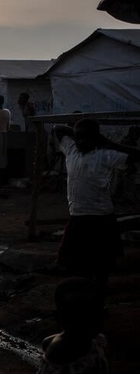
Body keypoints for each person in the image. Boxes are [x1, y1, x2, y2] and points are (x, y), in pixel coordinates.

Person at [53, 119, 140, 299]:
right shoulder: (71, 150)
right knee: (77, 264)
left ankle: (99, 299)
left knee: (101, 266)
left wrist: (108, 142)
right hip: (78, 217)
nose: (82, 141)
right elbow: (57, 128)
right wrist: (78, 132)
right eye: (79, 138)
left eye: (87, 138)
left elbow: (136, 155)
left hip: (101, 218)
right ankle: (83, 297)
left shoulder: (105, 155)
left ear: (96, 138)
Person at [31, 277, 108, 374]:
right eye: (76, 320)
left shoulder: (90, 341)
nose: (84, 325)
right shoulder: (63, 352)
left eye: (92, 317)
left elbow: (46, 342)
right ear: (59, 317)